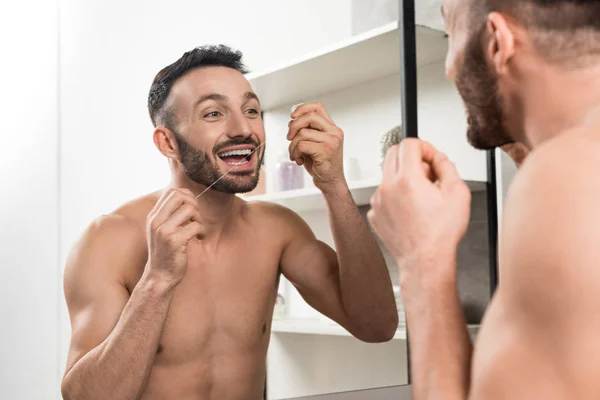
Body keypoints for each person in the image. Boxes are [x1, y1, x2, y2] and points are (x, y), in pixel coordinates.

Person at [60, 45, 399, 400]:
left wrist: (334, 186)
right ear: (168, 142)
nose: (243, 129)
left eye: (251, 110)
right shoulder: (107, 240)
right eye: (213, 113)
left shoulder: (277, 231)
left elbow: (376, 326)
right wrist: (157, 280)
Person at [368, 0, 600, 399]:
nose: (449, 66)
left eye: (450, 35)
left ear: (497, 42)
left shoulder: (566, 174)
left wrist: (422, 259)